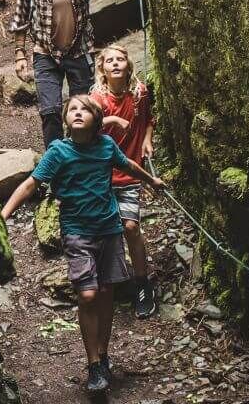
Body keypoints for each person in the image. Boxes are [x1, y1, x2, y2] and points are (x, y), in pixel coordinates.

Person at [0, 95, 166, 394]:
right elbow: (30, 184)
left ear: (96, 119)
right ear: (65, 119)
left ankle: (102, 356)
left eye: (84, 109)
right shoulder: (58, 151)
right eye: (72, 109)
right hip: (78, 232)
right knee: (88, 295)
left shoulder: (105, 146)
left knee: (106, 292)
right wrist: (2, 215)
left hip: (109, 229)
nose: (77, 113)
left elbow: (126, 164)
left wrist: (151, 181)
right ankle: (92, 363)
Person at [8, 0, 148, 148]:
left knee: (82, 112)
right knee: (51, 111)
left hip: (79, 54)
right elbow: (20, 17)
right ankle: (56, 163)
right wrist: (20, 54)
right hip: (45, 55)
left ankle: (80, 158)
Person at [91, 44, 159, 318]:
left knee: (130, 227)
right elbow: (83, 128)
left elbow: (149, 120)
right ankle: (106, 280)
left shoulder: (139, 93)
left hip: (131, 171)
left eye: (121, 59)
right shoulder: (96, 99)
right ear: (102, 69)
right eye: (110, 61)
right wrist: (113, 119)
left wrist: (146, 140)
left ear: (128, 66)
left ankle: (143, 283)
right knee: (105, 229)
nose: (116, 63)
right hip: (101, 175)